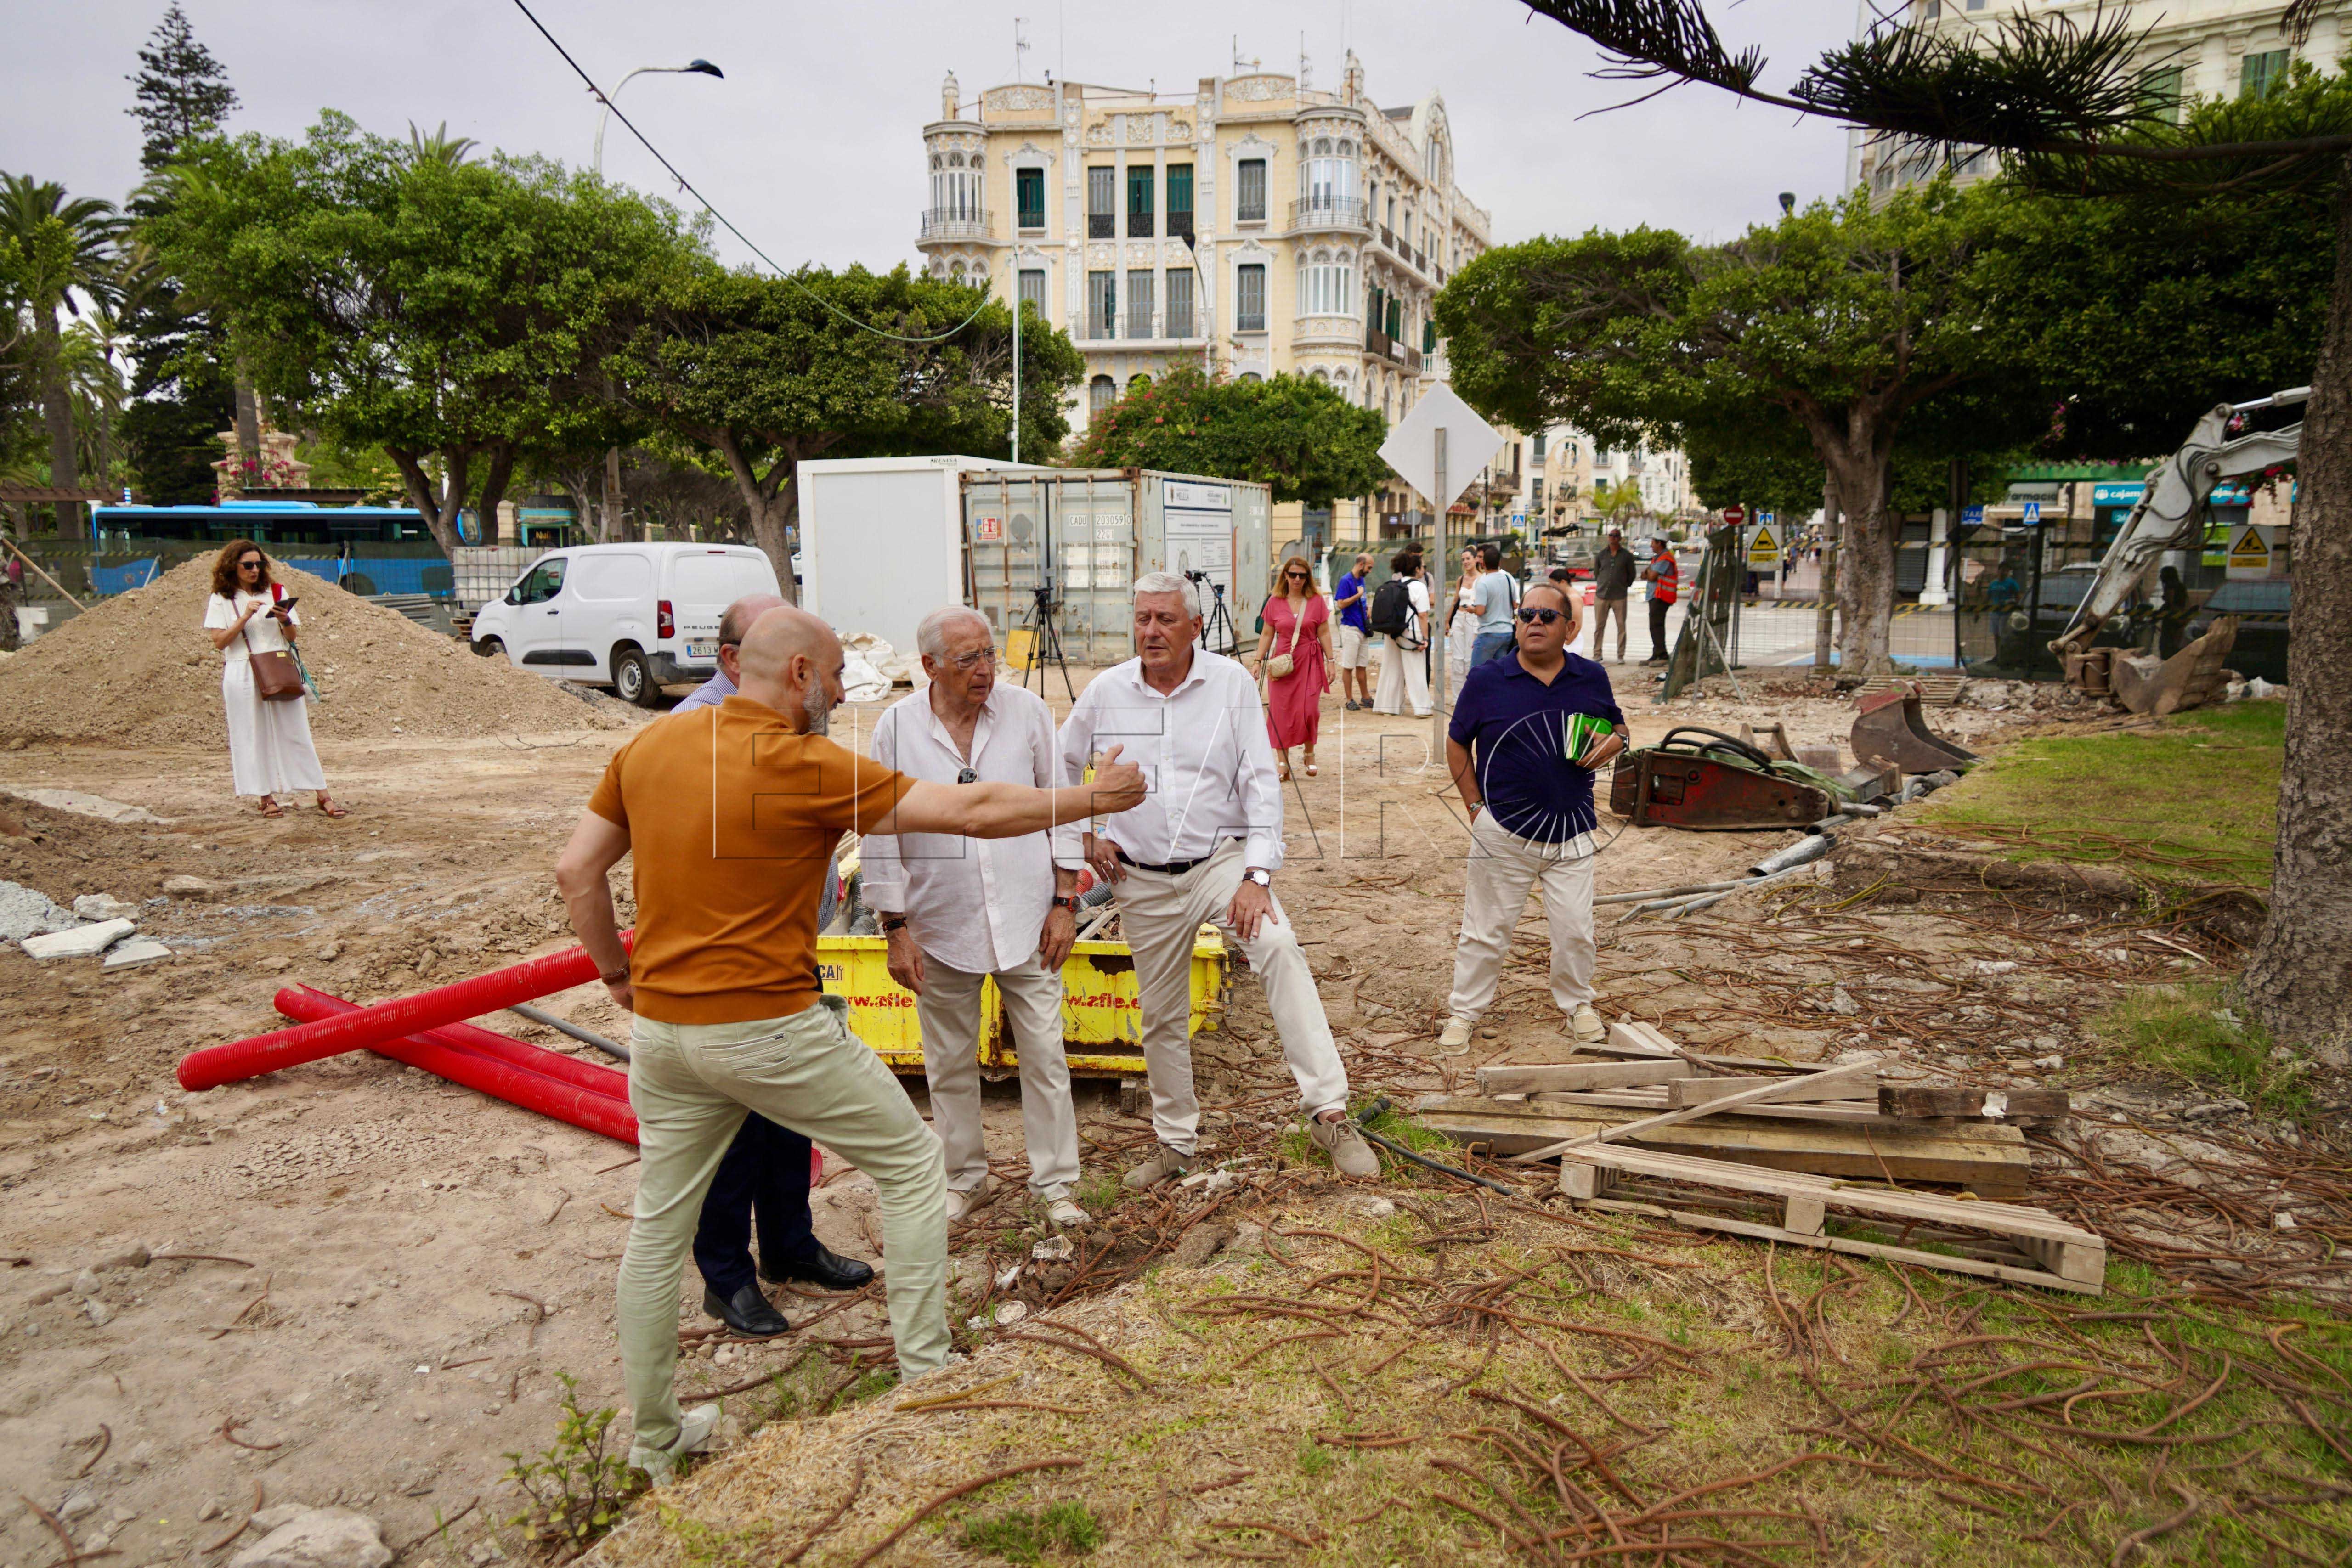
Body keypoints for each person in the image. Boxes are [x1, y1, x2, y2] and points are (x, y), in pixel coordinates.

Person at [555, 605, 1144, 1479]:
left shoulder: (650, 746)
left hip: (666, 1034)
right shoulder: (806, 763)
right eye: (834, 677)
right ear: (798, 673)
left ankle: (655, 1439)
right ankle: (927, 1378)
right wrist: (1092, 799)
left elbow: (576, 871)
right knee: (912, 1165)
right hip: (767, 1023)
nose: (839, 693)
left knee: (657, 1226)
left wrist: (616, 975)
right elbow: (974, 809)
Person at [1059, 573, 1380, 1189]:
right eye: (1143, 618)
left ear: (1195, 627)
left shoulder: (1230, 683)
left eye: (1165, 619)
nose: (1152, 631)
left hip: (1218, 865)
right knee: (1160, 1014)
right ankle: (1176, 1144)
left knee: (1277, 946)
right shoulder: (1106, 691)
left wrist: (1257, 876)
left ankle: (1329, 1113)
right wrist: (1083, 837)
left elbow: (1261, 781)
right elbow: (1059, 763)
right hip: (1139, 878)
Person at [669, 594, 871, 1339]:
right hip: (728, 971)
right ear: (733, 658)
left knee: (789, 1112)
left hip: (792, 954)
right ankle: (727, 1277)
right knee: (730, 1129)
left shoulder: (795, 720)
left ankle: (790, 1244)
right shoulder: (693, 730)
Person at [861, 606, 1090, 1231]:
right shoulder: (896, 729)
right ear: (929, 666)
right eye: (968, 659)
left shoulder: (1027, 713)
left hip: (1029, 917)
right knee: (948, 1064)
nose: (985, 669)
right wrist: (894, 928)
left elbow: (1061, 809)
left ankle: (1056, 1185)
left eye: (989, 654)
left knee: (1045, 1056)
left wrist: (1065, 903)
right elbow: (878, 831)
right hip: (939, 924)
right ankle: (964, 1180)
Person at [1438, 579, 1627, 1051]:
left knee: (1575, 931)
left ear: (1570, 629)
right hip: (1502, 832)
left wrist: (1618, 742)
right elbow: (1457, 743)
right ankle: (1463, 1013)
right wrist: (1476, 808)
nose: (1534, 622)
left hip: (1572, 830)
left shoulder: (1591, 677)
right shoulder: (1487, 680)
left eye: (1547, 616)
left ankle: (1578, 1005)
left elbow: (1618, 726)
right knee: (1485, 932)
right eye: (1526, 615)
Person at [201, 540, 345, 820]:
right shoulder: (221, 598)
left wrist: (285, 620)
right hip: (243, 670)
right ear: (233, 566)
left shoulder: (276, 591)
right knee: (251, 734)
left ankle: (323, 794)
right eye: (248, 565)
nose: (255, 570)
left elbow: (292, 637)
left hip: (278, 665)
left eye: (259, 564)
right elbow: (219, 642)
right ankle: (265, 797)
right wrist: (245, 617)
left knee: (296, 731)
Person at [1250, 553, 1334, 780]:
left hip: (1310, 661)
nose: (1297, 579)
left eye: (1302, 576)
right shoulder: (1274, 602)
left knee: (1310, 711)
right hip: (1283, 664)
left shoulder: (1316, 601)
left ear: (1308, 578)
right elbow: (1267, 634)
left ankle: (1309, 753)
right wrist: (1258, 661)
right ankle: (1283, 762)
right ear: (1285, 576)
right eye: (1293, 575)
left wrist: (1331, 661)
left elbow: (1324, 632)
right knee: (1281, 712)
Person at [1370, 550, 1433, 718]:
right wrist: (1426, 638)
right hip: (1412, 632)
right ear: (1417, 569)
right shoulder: (1419, 587)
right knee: (1416, 669)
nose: (1424, 570)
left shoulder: (1394, 584)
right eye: (1423, 567)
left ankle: (1388, 707)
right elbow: (1423, 615)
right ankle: (1422, 709)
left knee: (1391, 668)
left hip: (1393, 631)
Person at [1331, 553, 1376, 711]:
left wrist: (1368, 608)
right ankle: (1349, 699)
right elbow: (1341, 604)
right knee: (1349, 666)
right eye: (1369, 567)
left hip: (1362, 628)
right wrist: (1358, 595)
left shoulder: (1361, 579)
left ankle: (1366, 697)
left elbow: (1362, 600)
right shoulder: (1346, 580)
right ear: (1361, 564)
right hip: (1350, 628)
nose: (1370, 571)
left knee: (1362, 665)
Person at [1589, 528, 1636, 663]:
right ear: (1608, 537)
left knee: (1621, 626)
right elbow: (1597, 573)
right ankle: (1597, 654)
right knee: (1599, 626)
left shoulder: (1626, 556)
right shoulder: (1601, 555)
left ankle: (1621, 655)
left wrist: (1624, 586)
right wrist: (1602, 584)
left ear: (1620, 538)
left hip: (1619, 596)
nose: (1613, 538)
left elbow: (1632, 574)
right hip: (1602, 595)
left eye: (1616, 536)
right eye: (1611, 535)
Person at [1469, 543, 1521, 667]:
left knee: (1476, 672)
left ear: (1484, 563)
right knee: (1500, 671)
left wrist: (1472, 609)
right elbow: (1515, 605)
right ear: (1500, 563)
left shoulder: (1483, 583)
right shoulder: (1508, 579)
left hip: (1489, 633)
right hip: (1507, 633)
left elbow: (1480, 611)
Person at [1639, 536, 1679, 666]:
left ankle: (1662, 655)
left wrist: (1649, 571)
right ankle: (1657, 654)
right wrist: (1649, 572)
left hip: (1662, 596)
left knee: (1657, 625)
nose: (1651, 545)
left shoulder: (1665, 558)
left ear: (1659, 543)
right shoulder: (1657, 558)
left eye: (1653, 543)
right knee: (1655, 625)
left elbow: (1651, 576)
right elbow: (1644, 575)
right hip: (1655, 595)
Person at [1448, 546, 1482, 688]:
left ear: (1475, 559)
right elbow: (1455, 601)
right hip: (1459, 617)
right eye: (1463, 560)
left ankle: (1469, 690)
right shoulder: (1461, 579)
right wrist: (1447, 621)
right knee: (1457, 658)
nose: (1466, 562)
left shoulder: (1482, 579)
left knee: (1469, 657)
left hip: (1473, 619)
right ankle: (1457, 695)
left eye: (1468, 559)